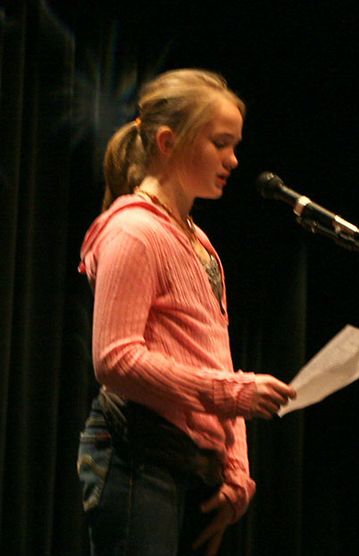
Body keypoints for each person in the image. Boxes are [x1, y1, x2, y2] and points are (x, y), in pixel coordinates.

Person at [76, 68, 296, 556]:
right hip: (140, 456)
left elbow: (213, 357)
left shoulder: (198, 241)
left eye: (235, 145)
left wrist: (236, 470)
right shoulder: (135, 231)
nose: (234, 160)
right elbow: (115, 358)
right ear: (168, 141)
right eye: (220, 143)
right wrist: (234, 391)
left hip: (194, 466)